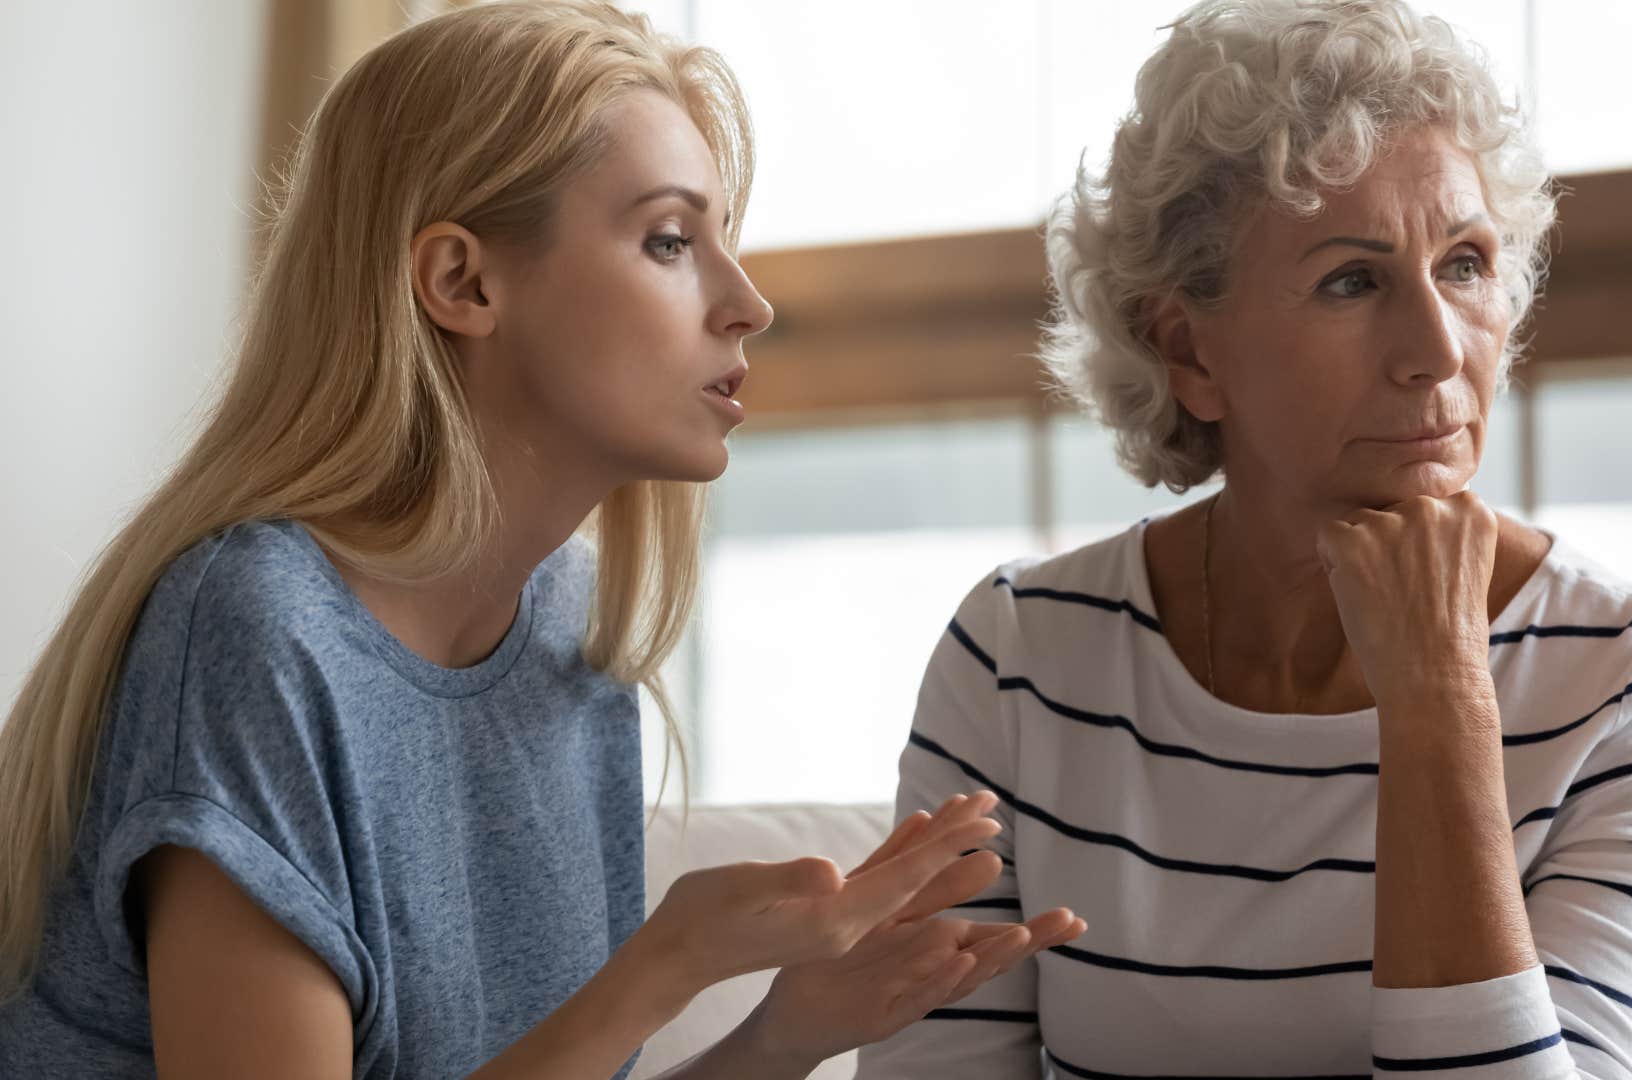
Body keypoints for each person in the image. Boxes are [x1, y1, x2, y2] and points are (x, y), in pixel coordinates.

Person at [0, 4, 1083, 1076]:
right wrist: (665, 965)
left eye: (723, 243)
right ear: (463, 283)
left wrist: (778, 1039)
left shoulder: (568, 632)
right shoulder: (257, 630)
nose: (748, 303)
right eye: (669, 240)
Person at [857, 1, 1632, 1077]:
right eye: (1352, 280)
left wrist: (1441, 701)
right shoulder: (1019, 654)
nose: (1435, 350)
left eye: (1464, 264)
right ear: (1187, 349)